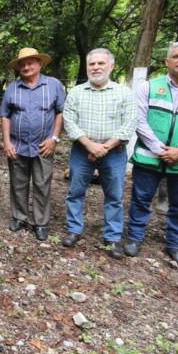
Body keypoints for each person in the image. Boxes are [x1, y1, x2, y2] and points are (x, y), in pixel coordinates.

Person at [125, 40, 178, 268]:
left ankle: (175, 244)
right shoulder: (149, 87)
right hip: (150, 157)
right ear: (167, 61)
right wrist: (158, 148)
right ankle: (135, 238)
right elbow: (138, 119)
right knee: (140, 199)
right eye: (177, 56)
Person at [61, 48, 137, 259]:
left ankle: (112, 237)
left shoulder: (124, 93)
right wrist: (90, 145)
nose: (95, 67)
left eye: (100, 63)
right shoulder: (76, 92)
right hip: (81, 151)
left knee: (114, 195)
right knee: (75, 192)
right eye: (92, 64)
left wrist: (105, 147)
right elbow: (69, 121)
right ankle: (74, 230)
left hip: (113, 152)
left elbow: (130, 122)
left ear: (111, 66)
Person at [1, 48, 65, 241]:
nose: (26, 67)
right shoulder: (13, 88)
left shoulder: (53, 85)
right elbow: (5, 115)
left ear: (39, 64)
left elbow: (60, 112)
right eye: (22, 64)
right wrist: (6, 141)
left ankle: (41, 223)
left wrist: (54, 138)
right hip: (17, 145)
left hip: (43, 146)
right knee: (18, 183)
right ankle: (19, 217)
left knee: (42, 184)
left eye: (30, 63)